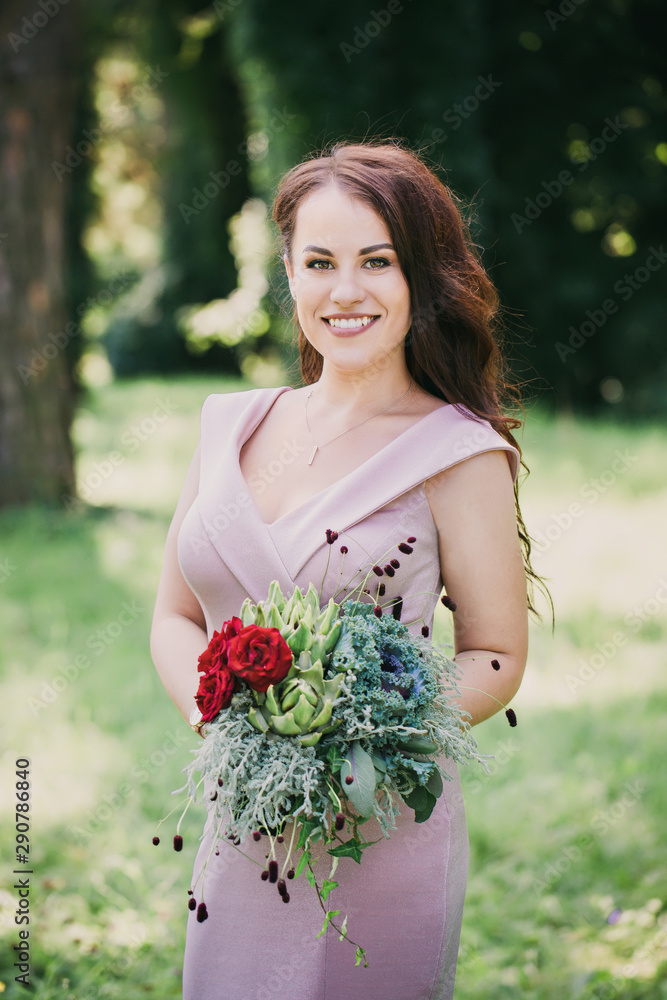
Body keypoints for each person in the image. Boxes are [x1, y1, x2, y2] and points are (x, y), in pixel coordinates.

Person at [150, 140, 540, 1000]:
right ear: (288, 271)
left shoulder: (456, 452)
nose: (346, 290)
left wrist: (352, 741)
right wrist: (230, 731)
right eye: (320, 262)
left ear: (421, 277)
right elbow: (174, 617)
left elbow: (496, 654)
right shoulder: (228, 426)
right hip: (243, 814)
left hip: (378, 824)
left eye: (377, 261)